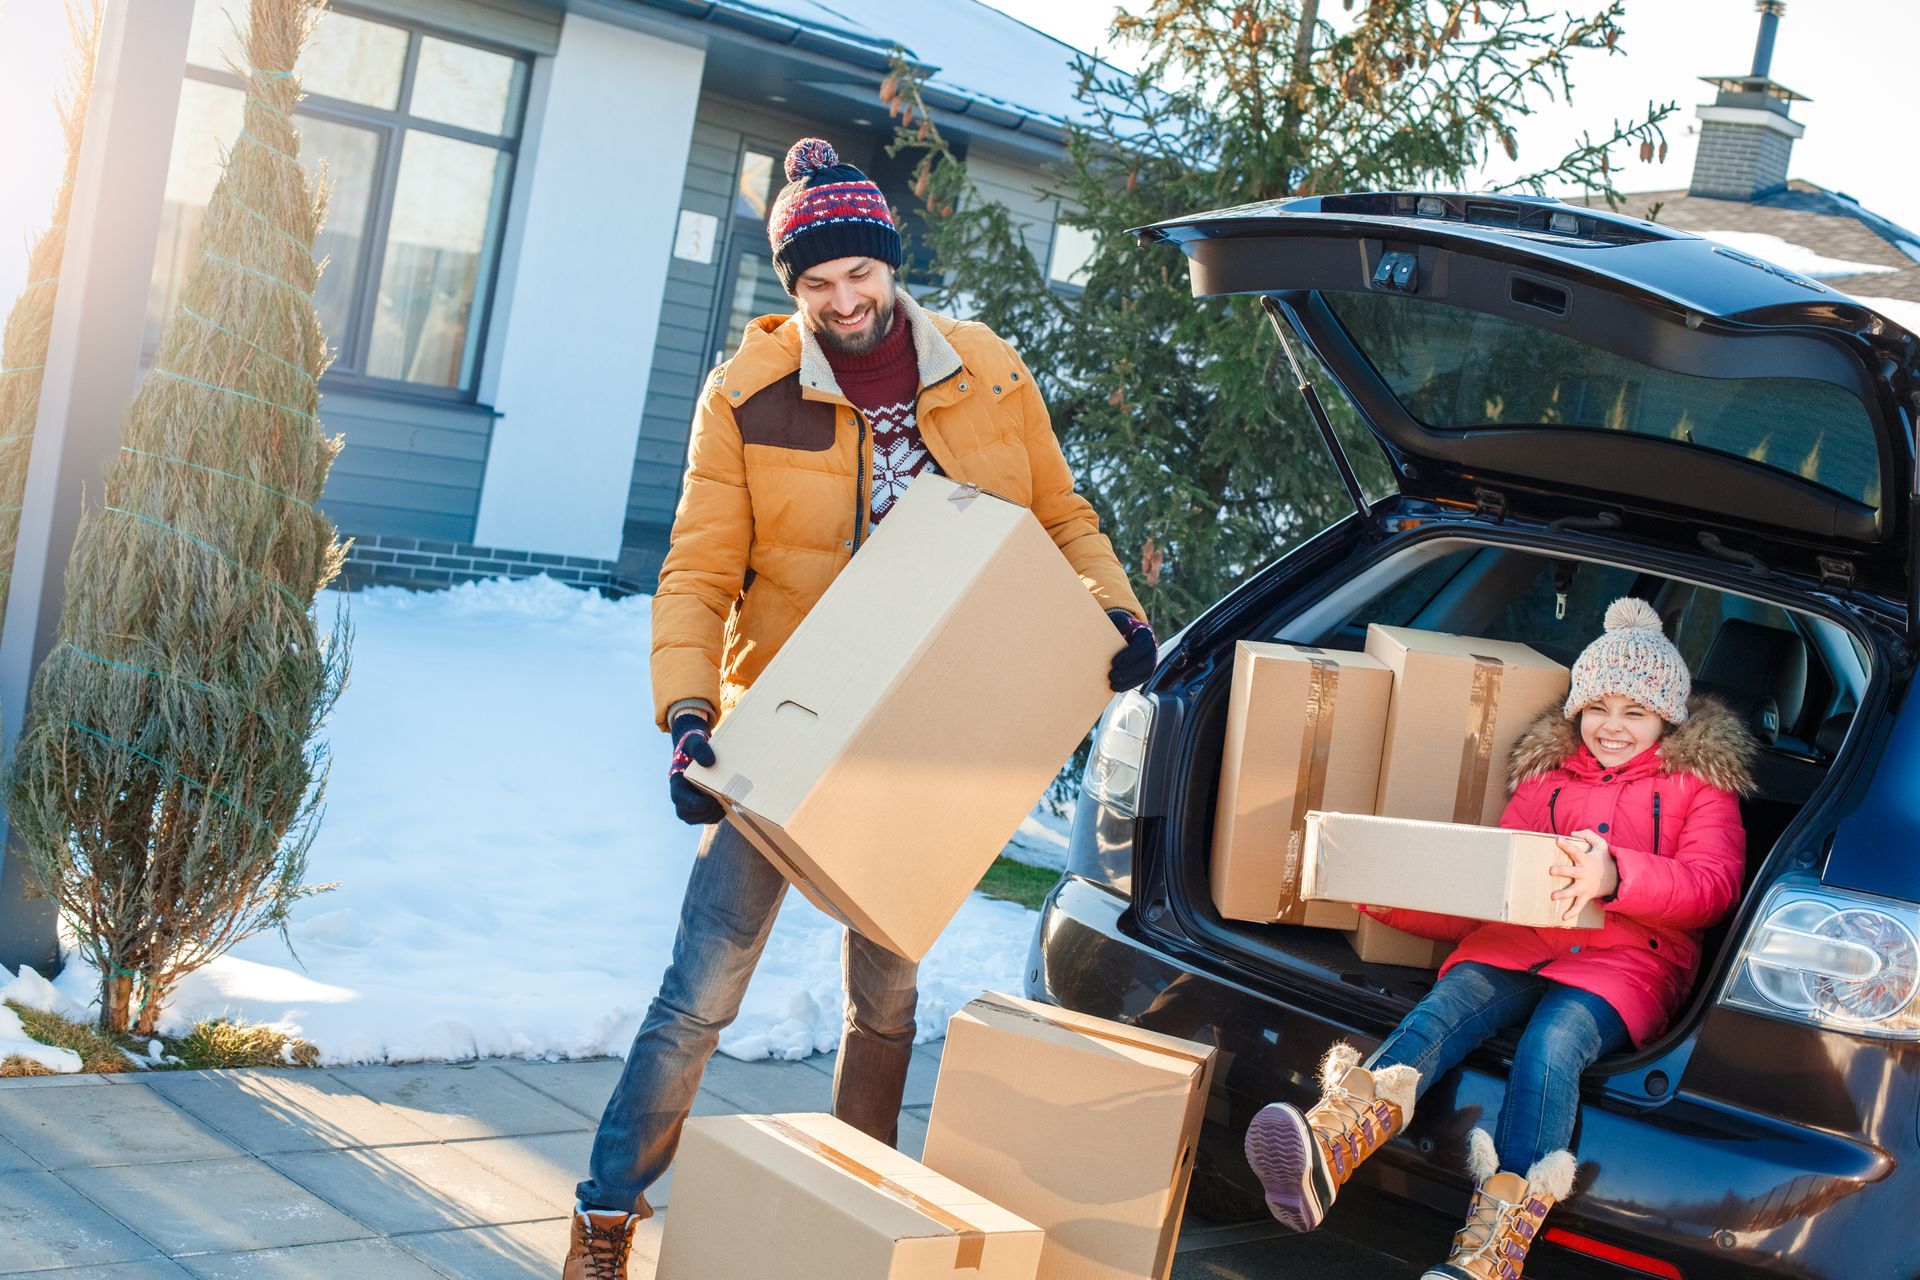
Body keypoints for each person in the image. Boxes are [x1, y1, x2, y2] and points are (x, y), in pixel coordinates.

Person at [562, 137, 1154, 1279]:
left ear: (891, 264)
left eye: (858, 276)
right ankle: (605, 1213)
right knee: (698, 993)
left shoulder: (988, 372)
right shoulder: (749, 395)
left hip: (925, 736)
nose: (842, 300)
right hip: (786, 730)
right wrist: (689, 716)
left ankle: (852, 1217)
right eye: (815, 284)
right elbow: (697, 572)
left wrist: (1115, 612)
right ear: (793, 290)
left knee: (885, 1000)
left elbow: (1061, 517)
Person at [1244, 598, 1756, 1280]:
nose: (1612, 726)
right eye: (1598, 707)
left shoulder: (1700, 787)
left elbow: (1712, 887)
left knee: (1552, 1046)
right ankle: (1330, 1146)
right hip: (1518, 941)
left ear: (1668, 716)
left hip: (1627, 962)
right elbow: (1488, 888)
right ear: (1577, 709)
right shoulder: (1545, 777)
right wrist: (1389, 897)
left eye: (1635, 711)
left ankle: (1490, 1253)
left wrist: (1616, 874)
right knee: (1447, 1002)